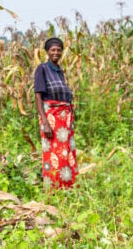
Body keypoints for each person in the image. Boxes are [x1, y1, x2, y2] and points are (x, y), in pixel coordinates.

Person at [34, 37, 78, 189]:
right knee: (54, 153)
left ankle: (67, 185)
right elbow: (38, 96)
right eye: (53, 50)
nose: (56, 52)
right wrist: (45, 123)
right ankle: (54, 187)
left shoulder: (59, 71)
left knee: (66, 152)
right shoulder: (42, 69)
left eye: (59, 50)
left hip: (64, 119)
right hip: (52, 118)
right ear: (47, 52)